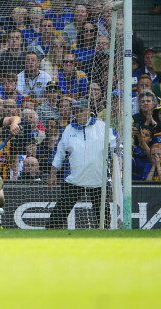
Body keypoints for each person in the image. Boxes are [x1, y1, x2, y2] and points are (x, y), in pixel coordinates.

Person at [46, 98, 117, 229]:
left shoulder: (103, 127)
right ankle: (48, 234)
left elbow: (116, 148)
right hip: (75, 180)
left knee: (104, 217)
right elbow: (59, 154)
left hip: (99, 180)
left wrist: (118, 169)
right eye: (76, 111)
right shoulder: (68, 129)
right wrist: (52, 174)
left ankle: (106, 239)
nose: (78, 114)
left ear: (89, 111)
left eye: (81, 111)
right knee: (58, 215)